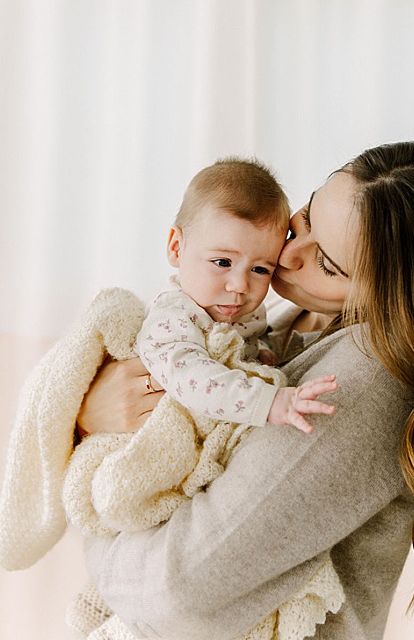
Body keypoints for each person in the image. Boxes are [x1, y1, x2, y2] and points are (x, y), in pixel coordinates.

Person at [76, 140, 414, 640]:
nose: (288, 254)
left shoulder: (367, 377)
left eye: (329, 264)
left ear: (393, 294)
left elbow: (175, 591)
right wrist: (99, 414)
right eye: (308, 218)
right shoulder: (283, 328)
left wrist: (93, 510)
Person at [134, 156, 337, 433]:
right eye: (222, 263)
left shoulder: (246, 310)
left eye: (260, 269)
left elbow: (246, 345)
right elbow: (194, 379)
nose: (240, 285)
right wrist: (269, 402)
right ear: (177, 248)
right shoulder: (173, 316)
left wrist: (261, 357)